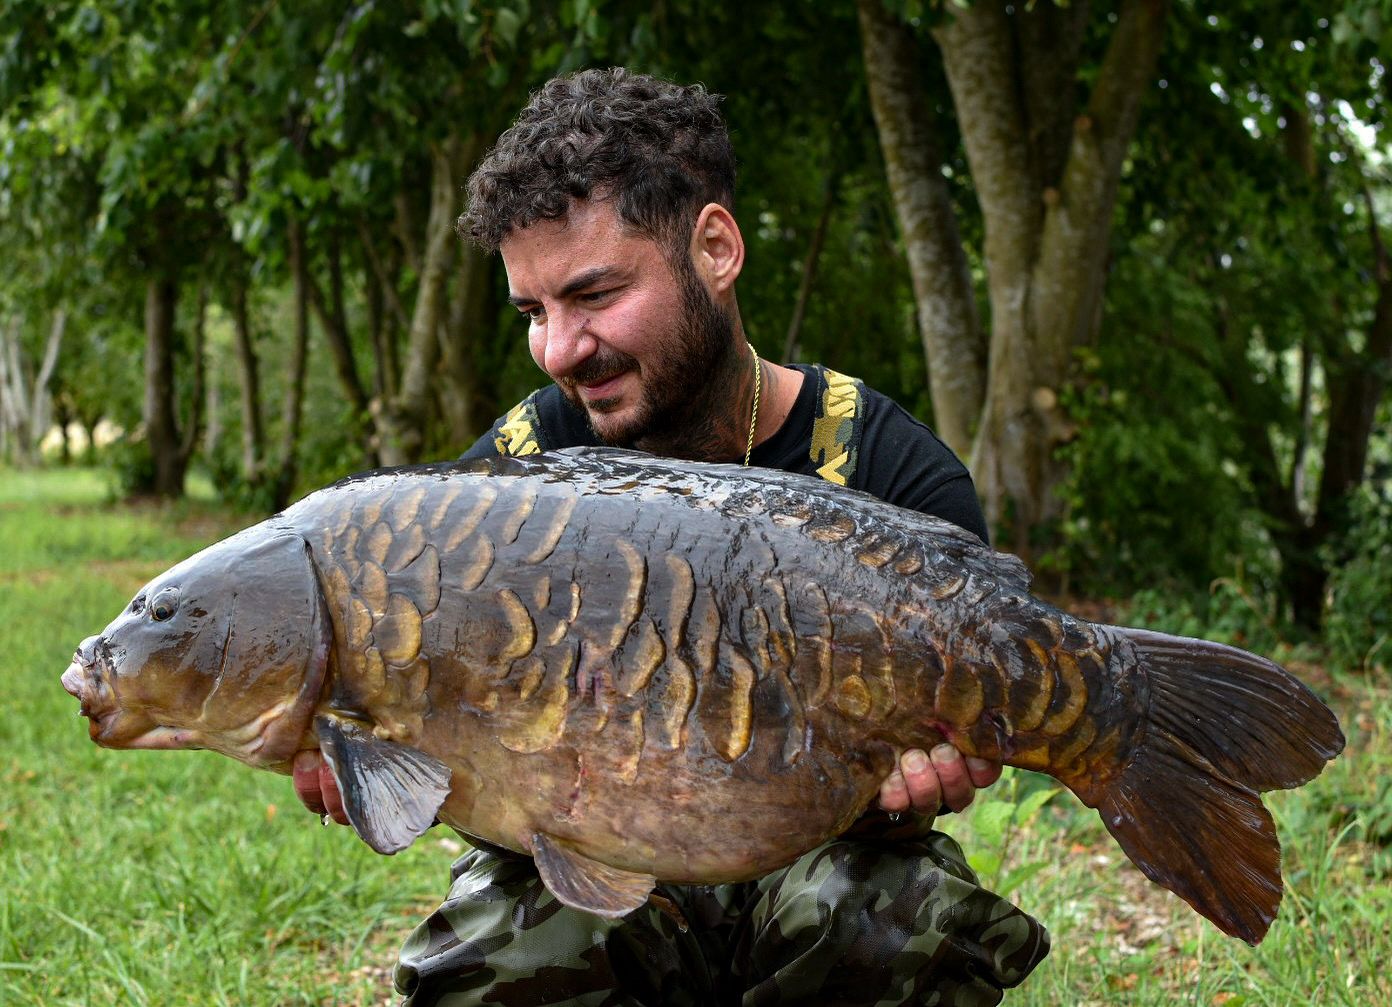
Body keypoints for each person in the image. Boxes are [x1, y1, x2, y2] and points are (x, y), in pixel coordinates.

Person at [293, 68, 1049, 1006]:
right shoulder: (507, 480)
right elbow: (476, 771)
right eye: (534, 313)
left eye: (594, 294)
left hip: (811, 861)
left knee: (893, 918)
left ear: (715, 249)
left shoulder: (886, 468)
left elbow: (925, 774)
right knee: (496, 949)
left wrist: (922, 783)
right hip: (595, 871)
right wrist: (380, 762)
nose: (561, 349)